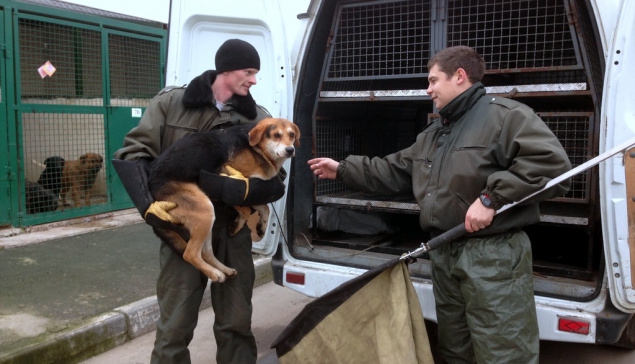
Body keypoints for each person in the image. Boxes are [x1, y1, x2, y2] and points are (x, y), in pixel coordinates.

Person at [308, 46, 572, 364]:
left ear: (459, 76)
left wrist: (492, 198)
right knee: (455, 347)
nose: (428, 89)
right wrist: (342, 169)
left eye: (433, 80)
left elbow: (552, 166)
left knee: (503, 349)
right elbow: (395, 170)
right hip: (445, 250)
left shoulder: (505, 117)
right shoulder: (435, 133)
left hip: (492, 254)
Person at [114, 39, 285, 364]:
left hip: (233, 234)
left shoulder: (260, 119)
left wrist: (247, 193)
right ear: (226, 69)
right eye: (249, 72)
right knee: (174, 324)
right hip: (182, 224)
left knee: (236, 323)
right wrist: (150, 207)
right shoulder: (171, 103)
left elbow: (277, 179)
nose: (254, 80)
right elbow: (133, 154)